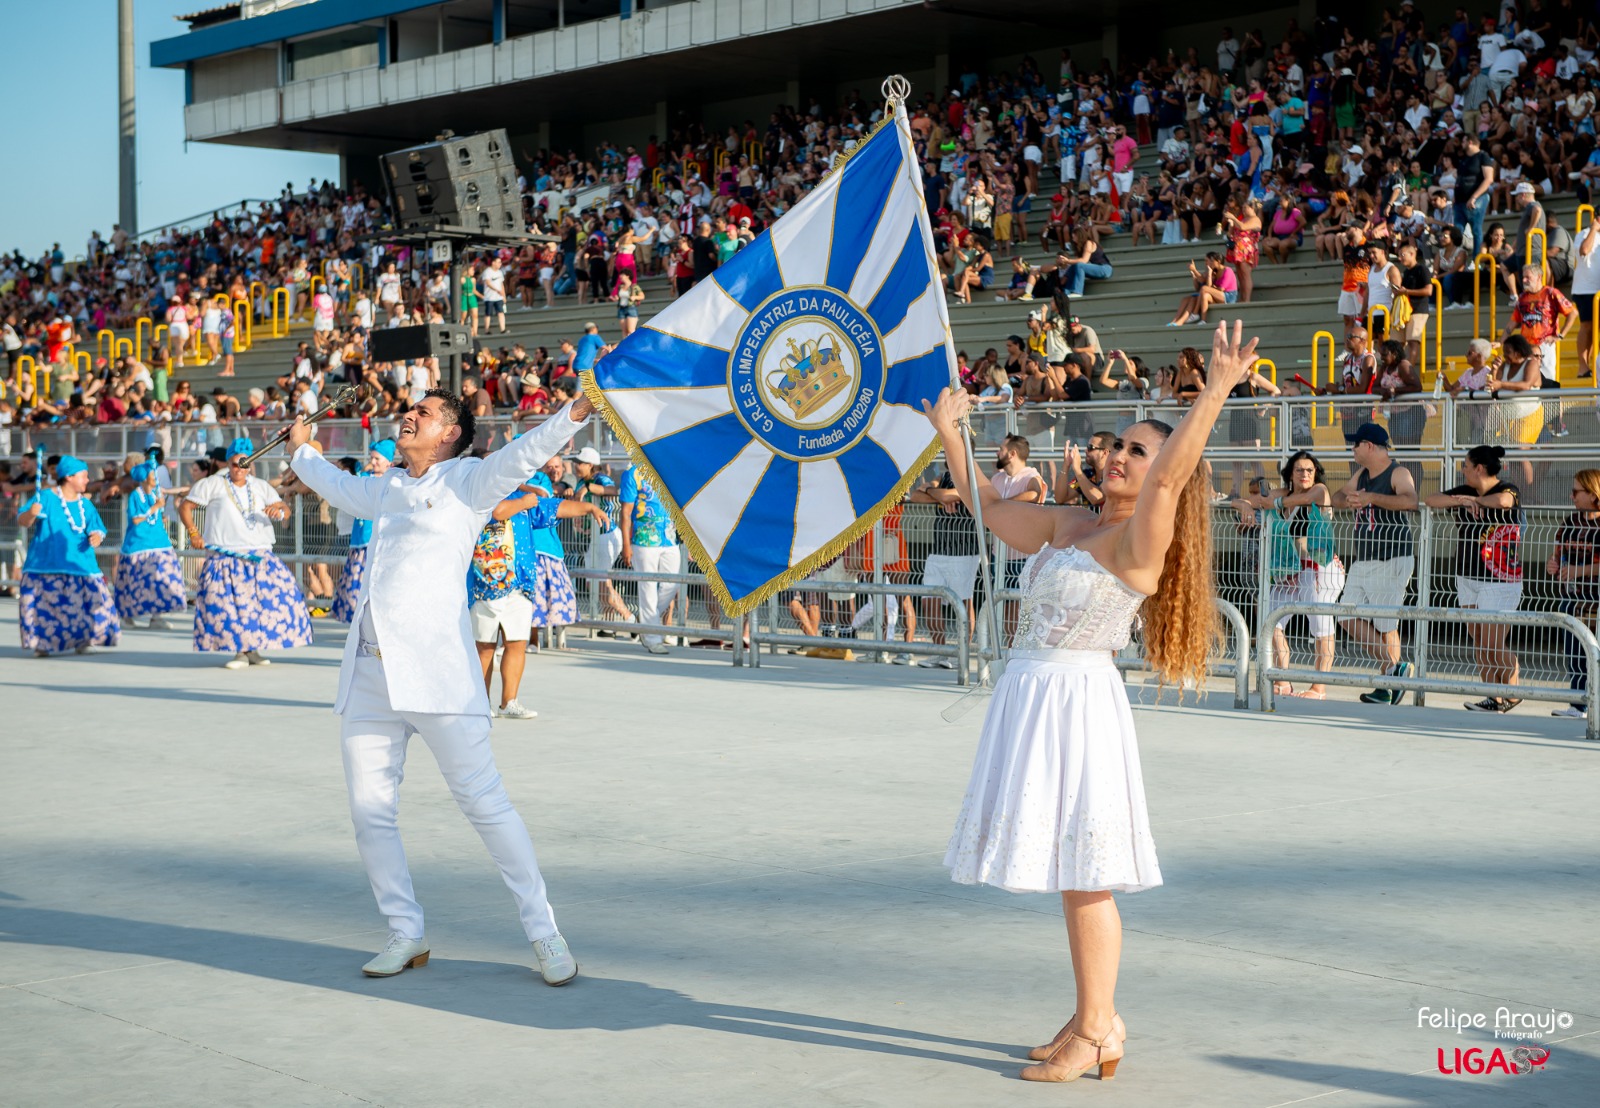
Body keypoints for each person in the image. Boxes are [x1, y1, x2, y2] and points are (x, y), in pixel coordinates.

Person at [928, 321, 1257, 1085]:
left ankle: (1101, 1027)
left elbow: (1173, 480)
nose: (1119, 457)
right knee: (1071, 869)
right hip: (1034, 697)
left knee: (1086, 871)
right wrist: (951, 434)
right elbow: (983, 505)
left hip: (1077, 703)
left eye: (1138, 451)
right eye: (1119, 446)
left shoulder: (1143, 537)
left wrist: (1212, 391)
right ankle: (1088, 1017)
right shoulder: (1072, 523)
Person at [282, 390, 592, 985]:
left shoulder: (469, 482)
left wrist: (571, 417)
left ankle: (545, 932)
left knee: (486, 806)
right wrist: (302, 452)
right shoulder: (387, 487)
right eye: (410, 408)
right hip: (371, 673)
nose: (409, 415)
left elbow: (524, 455)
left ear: (450, 432)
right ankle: (405, 930)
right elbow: (335, 486)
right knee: (370, 813)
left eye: (423, 412)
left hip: (438, 676)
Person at [469, 482, 603, 719]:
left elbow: (557, 507)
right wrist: (523, 502)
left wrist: (590, 509)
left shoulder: (526, 499)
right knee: (484, 647)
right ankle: (478, 704)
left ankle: (509, 702)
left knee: (517, 643)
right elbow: (497, 511)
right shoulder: (480, 493)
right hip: (486, 585)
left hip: (520, 584)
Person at [179, 437, 311, 670]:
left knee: (267, 603)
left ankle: (253, 649)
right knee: (233, 607)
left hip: (258, 555)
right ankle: (241, 651)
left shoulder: (261, 486)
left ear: (251, 465)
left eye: (245, 463)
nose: (239, 468)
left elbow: (285, 510)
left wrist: (278, 509)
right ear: (227, 464)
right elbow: (186, 506)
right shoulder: (212, 484)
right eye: (234, 463)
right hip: (226, 556)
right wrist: (193, 533)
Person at [1231, 451, 1343, 698]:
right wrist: (1242, 505)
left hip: (1321, 570)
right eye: (1300, 470)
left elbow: (1299, 500)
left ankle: (1319, 687)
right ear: (1290, 474)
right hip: (1292, 571)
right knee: (1270, 620)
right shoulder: (1284, 495)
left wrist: (1276, 503)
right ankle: (1281, 678)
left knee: (1321, 627)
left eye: (1310, 470)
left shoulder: (1319, 491)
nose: (1305, 474)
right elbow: (1253, 500)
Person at [1425, 446, 1525, 712]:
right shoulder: (1464, 491)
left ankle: (1513, 691)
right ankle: (1492, 695)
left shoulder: (1507, 488)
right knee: (1479, 639)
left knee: (1493, 642)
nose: (1463, 470)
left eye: (1465, 465)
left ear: (1479, 468)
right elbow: (1431, 499)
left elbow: (1505, 501)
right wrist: (1461, 500)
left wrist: (1477, 502)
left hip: (1499, 578)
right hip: (1467, 575)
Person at [1332, 423, 1418, 705]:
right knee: (1345, 614)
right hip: (1364, 557)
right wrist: (1351, 500)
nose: (1353, 450)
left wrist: (1372, 498)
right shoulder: (1362, 474)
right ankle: (1394, 671)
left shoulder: (1398, 472)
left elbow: (1410, 501)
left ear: (1369, 446)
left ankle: (1387, 684)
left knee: (1385, 625)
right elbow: (1336, 498)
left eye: (1355, 445)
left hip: (1391, 556)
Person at [17, 456, 120, 657]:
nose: (88, 480)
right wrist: (31, 513)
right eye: (84, 476)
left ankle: (84, 640)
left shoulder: (86, 504)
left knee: (89, 604)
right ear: (70, 477)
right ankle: (43, 643)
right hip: (46, 563)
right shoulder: (45, 497)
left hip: (81, 563)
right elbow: (23, 521)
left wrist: (96, 536)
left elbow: (98, 528)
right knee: (46, 607)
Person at [1548, 469, 1600, 718]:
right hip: (1572, 596)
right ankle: (1578, 704)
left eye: (1576, 491)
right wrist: (1554, 564)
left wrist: (1581, 571)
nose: (1572, 496)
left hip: (1596, 598)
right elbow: (1558, 554)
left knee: (1595, 652)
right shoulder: (1570, 522)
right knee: (1574, 651)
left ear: (1593, 494)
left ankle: (1593, 704)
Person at [112, 462, 186, 630]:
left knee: (163, 578)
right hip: (139, 545)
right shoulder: (135, 496)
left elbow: (169, 495)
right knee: (136, 581)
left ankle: (157, 615)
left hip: (159, 543)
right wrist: (155, 508)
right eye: (153, 475)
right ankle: (126, 616)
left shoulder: (155, 493)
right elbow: (136, 519)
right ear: (145, 478)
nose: (156, 478)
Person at [330, 441, 396, 624]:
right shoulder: (364, 478)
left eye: (377, 459)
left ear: (389, 462)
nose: (373, 462)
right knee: (353, 593)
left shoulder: (394, 481)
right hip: (359, 544)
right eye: (372, 458)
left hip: (379, 545)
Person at [620, 462, 679, 655]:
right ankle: (653, 638)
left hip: (669, 538)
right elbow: (626, 512)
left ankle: (645, 622)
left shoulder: (669, 468)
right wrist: (626, 545)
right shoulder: (633, 473)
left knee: (672, 585)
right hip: (644, 539)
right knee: (647, 590)